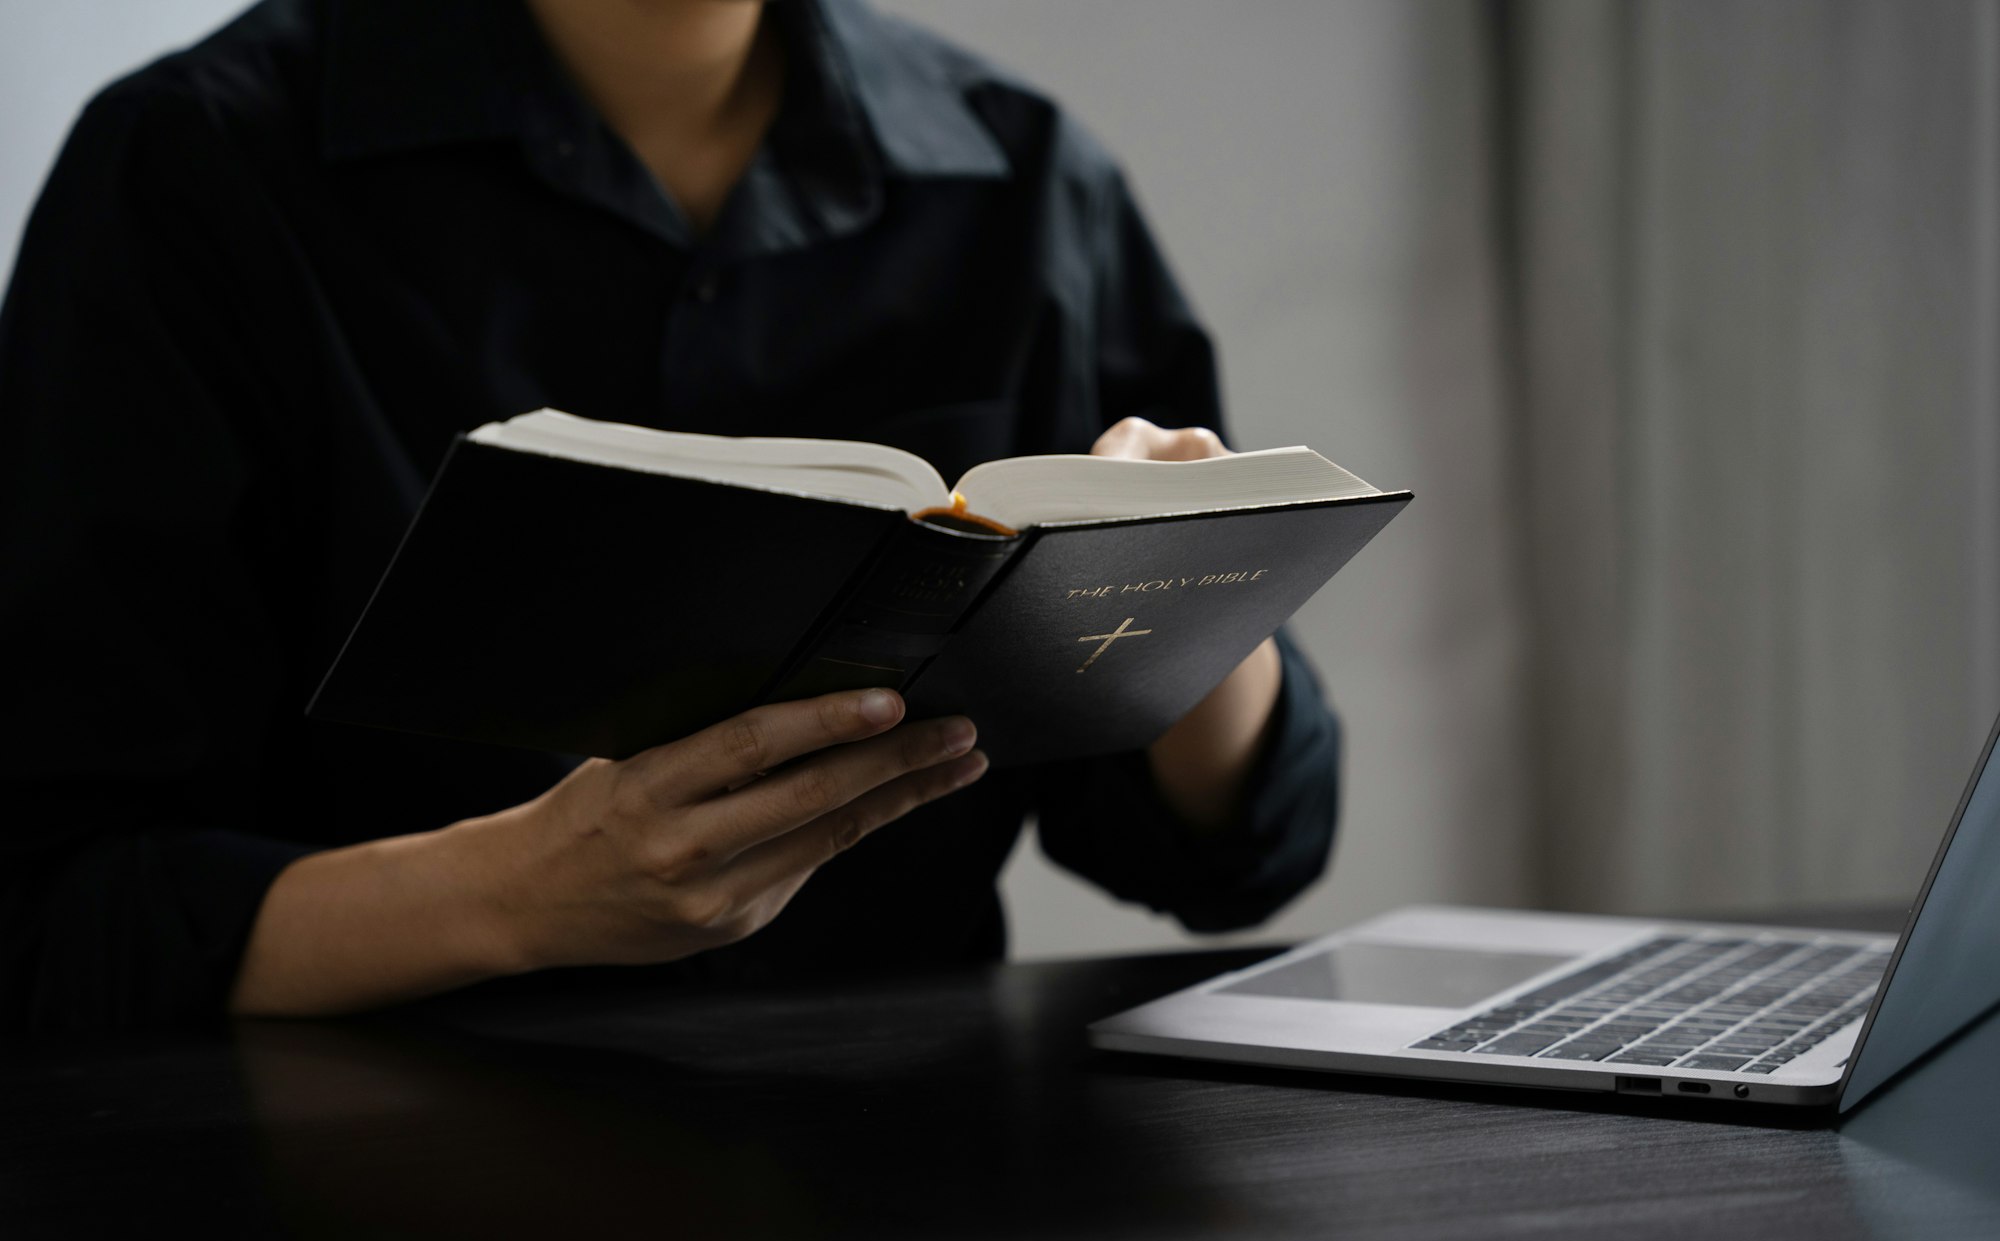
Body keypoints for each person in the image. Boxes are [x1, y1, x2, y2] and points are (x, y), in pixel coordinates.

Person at [0, 0, 1342, 1029]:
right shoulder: (195, 165)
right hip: (340, 1172)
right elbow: (53, 895)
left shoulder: (1026, 175)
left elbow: (1237, 851)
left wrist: (1197, 558)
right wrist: (511, 898)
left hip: (919, 1162)